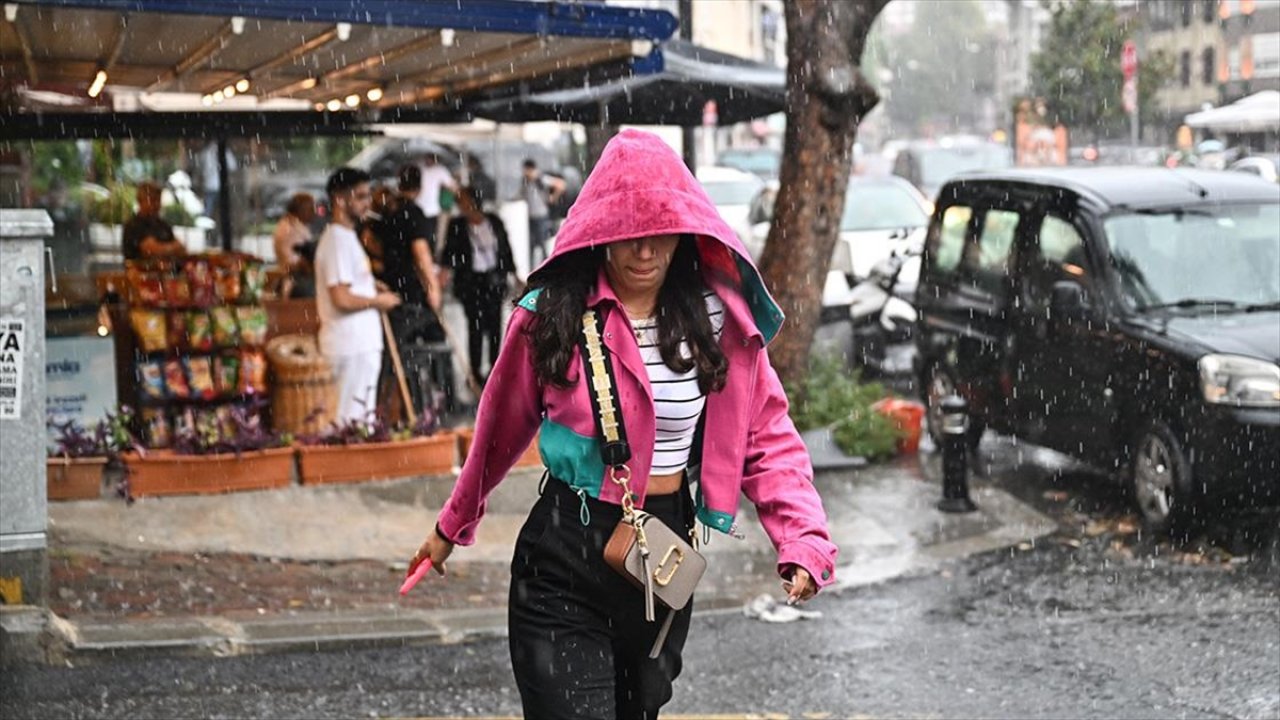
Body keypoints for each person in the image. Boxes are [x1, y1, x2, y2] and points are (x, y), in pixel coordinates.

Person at [408, 129, 838, 718]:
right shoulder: (551, 316)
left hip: (661, 555)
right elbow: (497, 429)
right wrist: (452, 523)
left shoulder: (717, 317)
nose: (644, 252)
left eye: (659, 232)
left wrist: (802, 536)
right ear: (599, 231)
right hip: (562, 552)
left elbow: (766, 437)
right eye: (627, 235)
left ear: (685, 228)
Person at [313, 167, 401, 423]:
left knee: (359, 422)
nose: (368, 203)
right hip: (349, 346)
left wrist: (370, 285)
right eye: (361, 196)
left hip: (358, 345)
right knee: (349, 424)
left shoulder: (346, 237)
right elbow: (340, 298)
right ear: (340, 199)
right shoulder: (337, 240)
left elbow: (348, 286)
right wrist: (378, 301)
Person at [380, 164, 451, 416]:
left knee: (400, 352)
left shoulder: (390, 213)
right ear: (420, 187)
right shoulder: (415, 213)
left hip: (394, 291)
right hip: (414, 293)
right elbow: (421, 254)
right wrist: (433, 288)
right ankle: (443, 402)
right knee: (437, 344)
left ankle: (410, 404)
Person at [440, 185, 516, 387]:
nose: (460, 203)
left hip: (493, 281)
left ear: (474, 201)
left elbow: (505, 249)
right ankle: (474, 373)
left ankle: (495, 369)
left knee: (494, 327)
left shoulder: (494, 221)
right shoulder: (456, 224)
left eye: (463, 199)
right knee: (474, 327)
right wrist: (444, 274)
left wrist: (513, 274)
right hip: (470, 283)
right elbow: (449, 253)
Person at [517, 158, 565, 267]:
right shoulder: (525, 182)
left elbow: (560, 184)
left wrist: (552, 198)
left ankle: (546, 267)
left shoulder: (541, 179)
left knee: (543, 245)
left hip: (541, 217)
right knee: (532, 246)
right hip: (530, 217)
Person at [122, 182, 185, 261]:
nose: (156, 205)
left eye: (158, 200)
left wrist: (163, 249)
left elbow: (181, 248)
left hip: (165, 272)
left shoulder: (163, 225)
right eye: (152, 200)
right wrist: (172, 248)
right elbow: (151, 251)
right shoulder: (133, 226)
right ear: (140, 201)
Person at [272, 193, 317, 299]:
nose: (314, 212)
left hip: (294, 281)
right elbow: (295, 264)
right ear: (300, 209)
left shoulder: (290, 225)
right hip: (297, 284)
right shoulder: (290, 230)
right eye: (310, 208)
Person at [413, 152, 458, 249]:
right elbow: (453, 187)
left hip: (428, 209)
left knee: (425, 236)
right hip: (426, 209)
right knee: (428, 237)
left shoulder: (436, 170)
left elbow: (452, 187)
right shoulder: (438, 170)